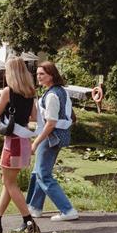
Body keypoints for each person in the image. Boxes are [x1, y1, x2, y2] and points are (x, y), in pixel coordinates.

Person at [0, 57, 40, 233]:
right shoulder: (30, 91)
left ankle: (29, 222)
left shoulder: (8, 91)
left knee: (9, 183)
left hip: (12, 143)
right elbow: (34, 117)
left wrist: (6, 110)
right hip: (24, 141)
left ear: (10, 72)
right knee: (8, 182)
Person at [25, 61, 79, 223]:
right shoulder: (60, 91)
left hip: (50, 138)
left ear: (52, 75)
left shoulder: (52, 95)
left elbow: (51, 123)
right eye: (38, 74)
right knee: (38, 172)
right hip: (53, 137)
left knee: (43, 175)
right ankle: (34, 207)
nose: (38, 77)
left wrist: (35, 142)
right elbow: (69, 116)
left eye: (42, 74)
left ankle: (67, 210)